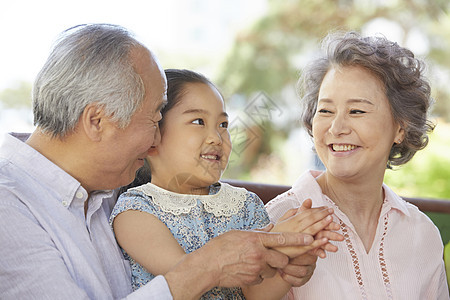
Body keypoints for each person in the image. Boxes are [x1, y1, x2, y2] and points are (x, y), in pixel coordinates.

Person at [0, 24, 322, 300]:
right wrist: (208, 266)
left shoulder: (107, 188)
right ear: (97, 121)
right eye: (154, 119)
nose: (157, 140)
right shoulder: (10, 207)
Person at [110, 69, 343, 299]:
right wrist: (277, 239)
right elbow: (184, 274)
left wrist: (290, 263)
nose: (217, 137)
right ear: (152, 139)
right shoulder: (135, 210)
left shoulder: (245, 203)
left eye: (223, 125)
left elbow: (256, 294)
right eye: (199, 121)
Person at [265, 31, 450, 299]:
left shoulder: (422, 234)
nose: (337, 128)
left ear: (400, 127)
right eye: (325, 110)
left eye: (357, 111)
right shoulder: (278, 221)